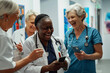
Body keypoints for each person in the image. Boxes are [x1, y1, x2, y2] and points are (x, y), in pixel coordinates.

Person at [0, 0, 43, 73]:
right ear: (6, 15)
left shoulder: (4, 34)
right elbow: (6, 68)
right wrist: (30, 58)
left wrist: (16, 50)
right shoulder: (3, 36)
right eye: (16, 14)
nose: (17, 18)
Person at [64, 3, 103, 73]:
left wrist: (86, 56)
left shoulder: (93, 32)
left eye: (72, 17)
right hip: (70, 70)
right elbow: (63, 51)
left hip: (86, 70)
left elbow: (99, 54)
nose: (70, 20)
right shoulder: (68, 34)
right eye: (68, 18)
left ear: (81, 16)